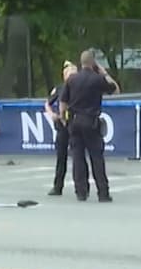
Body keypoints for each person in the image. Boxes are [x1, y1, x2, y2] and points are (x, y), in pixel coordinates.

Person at [58, 50, 120, 202]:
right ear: (93, 63)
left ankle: (81, 192)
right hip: (91, 121)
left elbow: (63, 102)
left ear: (81, 63)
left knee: (78, 157)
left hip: (74, 122)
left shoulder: (72, 80)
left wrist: (64, 119)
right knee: (96, 158)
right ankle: (103, 193)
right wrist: (105, 74)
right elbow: (115, 90)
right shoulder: (97, 79)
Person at [45, 61, 77, 196]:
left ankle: (80, 186)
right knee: (61, 157)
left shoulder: (79, 88)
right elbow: (47, 103)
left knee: (78, 157)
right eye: (69, 75)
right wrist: (52, 114)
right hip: (62, 126)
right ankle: (58, 186)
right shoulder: (59, 88)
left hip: (75, 124)